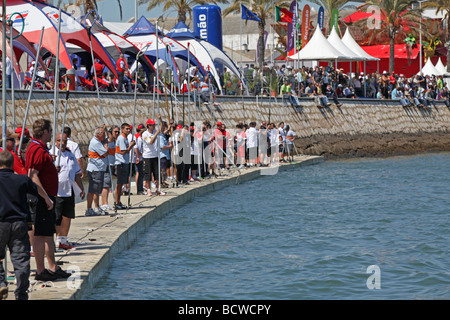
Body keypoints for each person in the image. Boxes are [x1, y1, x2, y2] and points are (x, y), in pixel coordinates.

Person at [25, 119, 70, 281]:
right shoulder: (37, 149)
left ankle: (52, 266)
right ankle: (40, 270)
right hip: (41, 199)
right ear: (45, 132)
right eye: (50, 131)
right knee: (40, 235)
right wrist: (46, 198)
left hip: (46, 197)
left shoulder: (40, 149)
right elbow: (32, 175)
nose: (52, 133)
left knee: (47, 234)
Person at [0, 151, 39, 300]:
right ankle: (21, 293)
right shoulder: (22, 180)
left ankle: (1, 283)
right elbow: (34, 193)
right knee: (21, 259)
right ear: (12, 164)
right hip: (19, 222)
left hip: (0, 222)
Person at [51, 133, 85, 250]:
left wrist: (81, 188)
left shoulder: (70, 154)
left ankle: (63, 240)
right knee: (57, 217)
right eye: (59, 140)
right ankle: (57, 239)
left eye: (64, 141)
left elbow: (76, 173)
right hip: (57, 191)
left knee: (68, 216)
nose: (62, 143)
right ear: (55, 141)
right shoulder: (52, 154)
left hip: (69, 189)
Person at [86, 125, 109, 216]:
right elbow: (105, 153)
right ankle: (90, 208)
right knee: (93, 190)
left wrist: (105, 130)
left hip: (99, 168)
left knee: (97, 189)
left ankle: (96, 207)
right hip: (95, 169)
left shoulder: (98, 141)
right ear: (99, 134)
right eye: (103, 133)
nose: (105, 135)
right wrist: (106, 144)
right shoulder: (96, 142)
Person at [114, 123, 136, 210]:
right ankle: (117, 202)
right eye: (126, 129)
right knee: (119, 184)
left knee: (121, 183)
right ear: (122, 129)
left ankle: (118, 201)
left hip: (124, 163)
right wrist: (131, 146)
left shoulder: (125, 138)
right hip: (121, 163)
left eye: (129, 129)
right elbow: (123, 151)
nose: (128, 130)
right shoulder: (122, 138)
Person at [142, 118, 163, 196]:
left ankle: (158, 189)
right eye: (152, 125)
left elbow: (162, 128)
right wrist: (156, 134)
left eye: (154, 124)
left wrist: (160, 119)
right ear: (149, 125)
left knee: (157, 173)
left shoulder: (155, 132)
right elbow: (150, 142)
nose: (154, 126)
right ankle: (148, 189)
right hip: (147, 156)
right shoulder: (145, 134)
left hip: (155, 155)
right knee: (148, 174)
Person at [101, 125, 119, 212]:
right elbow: (106, 135)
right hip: (107, 165)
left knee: (108, 185)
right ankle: (104, 203)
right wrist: (105, 129)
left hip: (112, 165)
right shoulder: (106, 142)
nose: (117, 133)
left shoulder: (115, 142)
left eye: (118, 132)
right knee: (106, 185)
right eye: (115, 132)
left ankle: (105, 203)